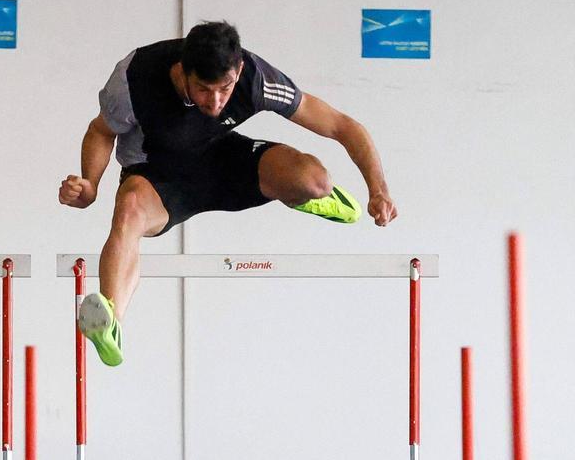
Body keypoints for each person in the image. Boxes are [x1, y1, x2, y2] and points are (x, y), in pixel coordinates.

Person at [59, 21, 397, 366]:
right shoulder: (135, 78)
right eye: (204, 90)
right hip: (157, 176)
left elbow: (342, 126)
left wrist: (378, 190)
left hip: (224, 160)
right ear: (183, 71)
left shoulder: (257, 78)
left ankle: (311, 198)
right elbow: (100, 132)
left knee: (314, 179)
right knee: (128, 210)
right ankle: (110, 324)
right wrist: (90, 184)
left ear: (238, 70)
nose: (217, 100)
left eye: (226, 88)